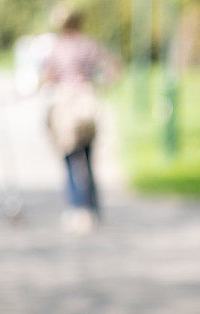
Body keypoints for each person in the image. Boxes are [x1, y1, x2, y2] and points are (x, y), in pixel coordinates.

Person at [41, 4, 118, 233]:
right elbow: (114, 67)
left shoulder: (57, 48)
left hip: (66, 107)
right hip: (87, 104)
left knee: (70, 158)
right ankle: (93, 208)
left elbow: (48, 76)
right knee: (87, 157)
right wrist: (101, 84)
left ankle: (78, 207)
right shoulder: (89, 46)